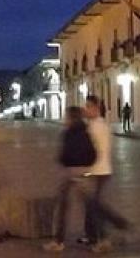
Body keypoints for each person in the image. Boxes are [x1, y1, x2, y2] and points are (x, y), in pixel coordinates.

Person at [43, 106, 97, 253]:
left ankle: (58, 241)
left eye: (66, 117)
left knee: (62, 206)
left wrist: (65, 161)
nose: (64, 119)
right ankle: (96, 240)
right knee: (89, 206)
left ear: (71, 118)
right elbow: (93, 153)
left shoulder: (67, 133)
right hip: (84, 171)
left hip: (70, 172)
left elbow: (64, 154)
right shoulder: (86, 131)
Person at [83, 94, 131, 253]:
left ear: (96, 108)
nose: (86, 109)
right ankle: (93, 236)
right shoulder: (98, 124)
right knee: (92, 205)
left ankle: (107, 235)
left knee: (95, 206)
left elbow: (95, 150)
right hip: (99, 170)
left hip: (98, 171)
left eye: (88, 106)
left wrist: (86, 169)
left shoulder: (97, 126)